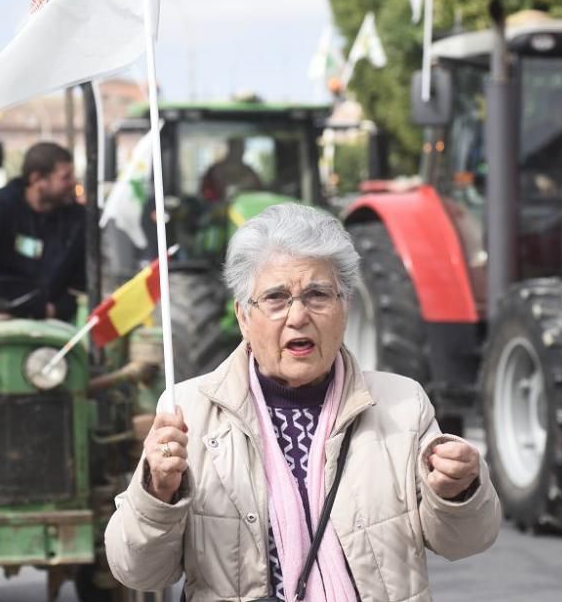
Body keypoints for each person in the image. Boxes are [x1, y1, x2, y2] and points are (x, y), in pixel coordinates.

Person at [105, 203, 501, 600]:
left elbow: (466, 541)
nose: (298, 316)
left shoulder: (402, 404)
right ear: (244, 316)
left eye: (317, 295)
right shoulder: (187, 411)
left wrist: (458, 490)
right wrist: (158, 493)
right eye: (276, 298)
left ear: (344, 308)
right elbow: (138, 571)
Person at [0, 141, 85, 321]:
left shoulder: (76, 219)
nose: (73, 183)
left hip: (46, 321)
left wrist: (54, 310)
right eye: (65, 177)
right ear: (37, 179)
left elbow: (81, 283)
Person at [200, 137, 262, 201]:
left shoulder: (250, 172)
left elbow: (260, 192)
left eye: (241, 147)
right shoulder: (213, 171)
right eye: (236, 147)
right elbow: (205, 194)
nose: (239, 151)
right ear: (229, 148)